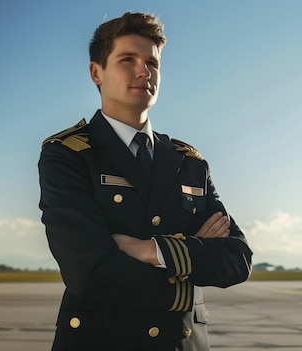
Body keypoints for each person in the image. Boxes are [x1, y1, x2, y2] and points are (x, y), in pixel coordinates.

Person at [38, 11, 252, 351]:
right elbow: (88, 271)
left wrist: (148, 249)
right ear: (97, 72)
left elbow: (237, 259)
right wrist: (189, 268)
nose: (143, 71)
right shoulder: (69, 154)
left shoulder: (189, 161)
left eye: (152, 63)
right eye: (127, 60)